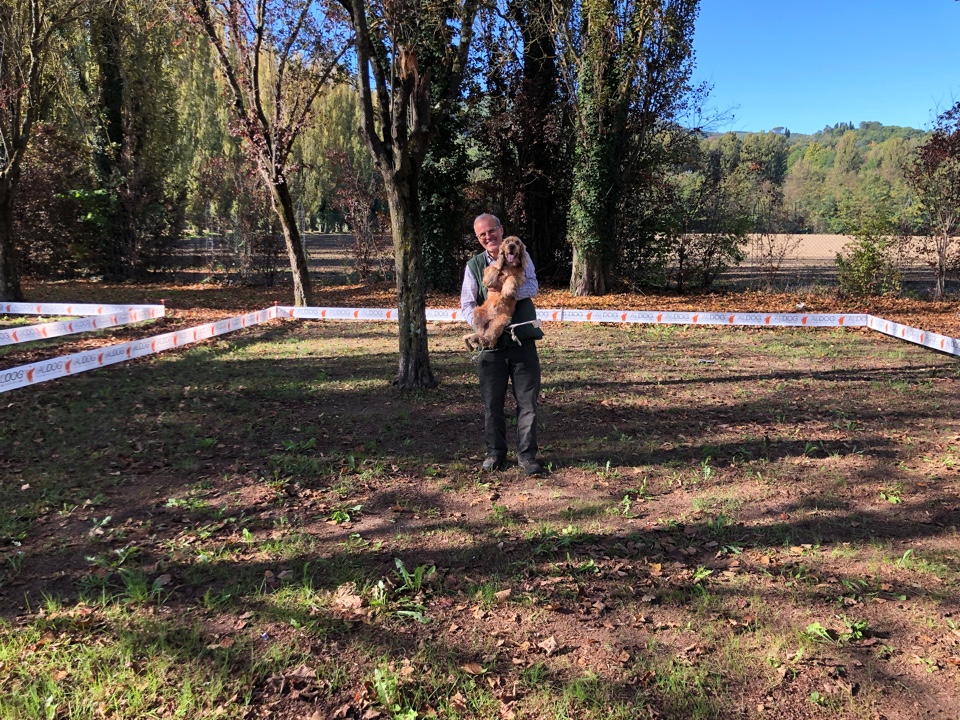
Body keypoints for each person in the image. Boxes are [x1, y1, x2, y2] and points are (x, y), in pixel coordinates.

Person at [460, 214, 544, 475]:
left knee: (527, 403)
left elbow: (533, 286)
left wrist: (509, 288)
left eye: (492, 231)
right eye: (482, 234)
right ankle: (495, 453)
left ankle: (527, 456)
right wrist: (482, 327)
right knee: (492, 404)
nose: (488, 237)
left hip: (522, 340)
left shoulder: (522, 256)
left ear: (501, 230)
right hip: (490, 345)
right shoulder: (474, 265)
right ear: (478, 238)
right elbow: (467, 303)